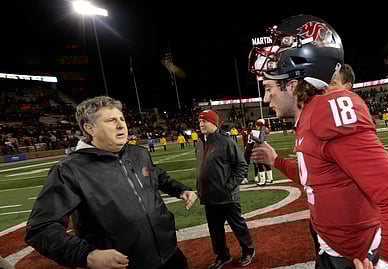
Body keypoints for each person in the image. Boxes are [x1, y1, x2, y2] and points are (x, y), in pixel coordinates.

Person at [248, 15, 388, 269]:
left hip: (353, 256)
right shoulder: (310, 114)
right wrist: (276, 161)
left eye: (268, 88)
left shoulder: (327, 111)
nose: (266, 99)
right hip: (329, 244)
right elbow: (319, 178)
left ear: (293, 85)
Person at [24, 96, 197, 269]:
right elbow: (41, 227)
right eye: (111, 120)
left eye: (121, 119)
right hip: (125, 265)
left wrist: (180, 190)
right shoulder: (69, 170)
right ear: (89, 128)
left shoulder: (138, 153)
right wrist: (87, 255)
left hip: (170, 254)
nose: (121, 124)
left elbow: (155, 174)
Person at [196, 110, 255, 269]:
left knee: (237, 224)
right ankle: (223, 256)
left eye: (204, 121)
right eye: (200, 122)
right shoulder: (201, 142)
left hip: (227, 195)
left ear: (214, 123)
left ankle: (248, 250)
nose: (201, 124)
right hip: (209, 196)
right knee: (215, 229)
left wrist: (229, 186)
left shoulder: (226, 141)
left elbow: (242, 165)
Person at [251, 119, 273, 185]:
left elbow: (261, 140)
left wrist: (253, 137)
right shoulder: (265, 129)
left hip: (261, 148)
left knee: (260, 164)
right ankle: (270, 178)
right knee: (266, 163)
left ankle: (262, 181)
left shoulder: (261, 130)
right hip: (264, 147)